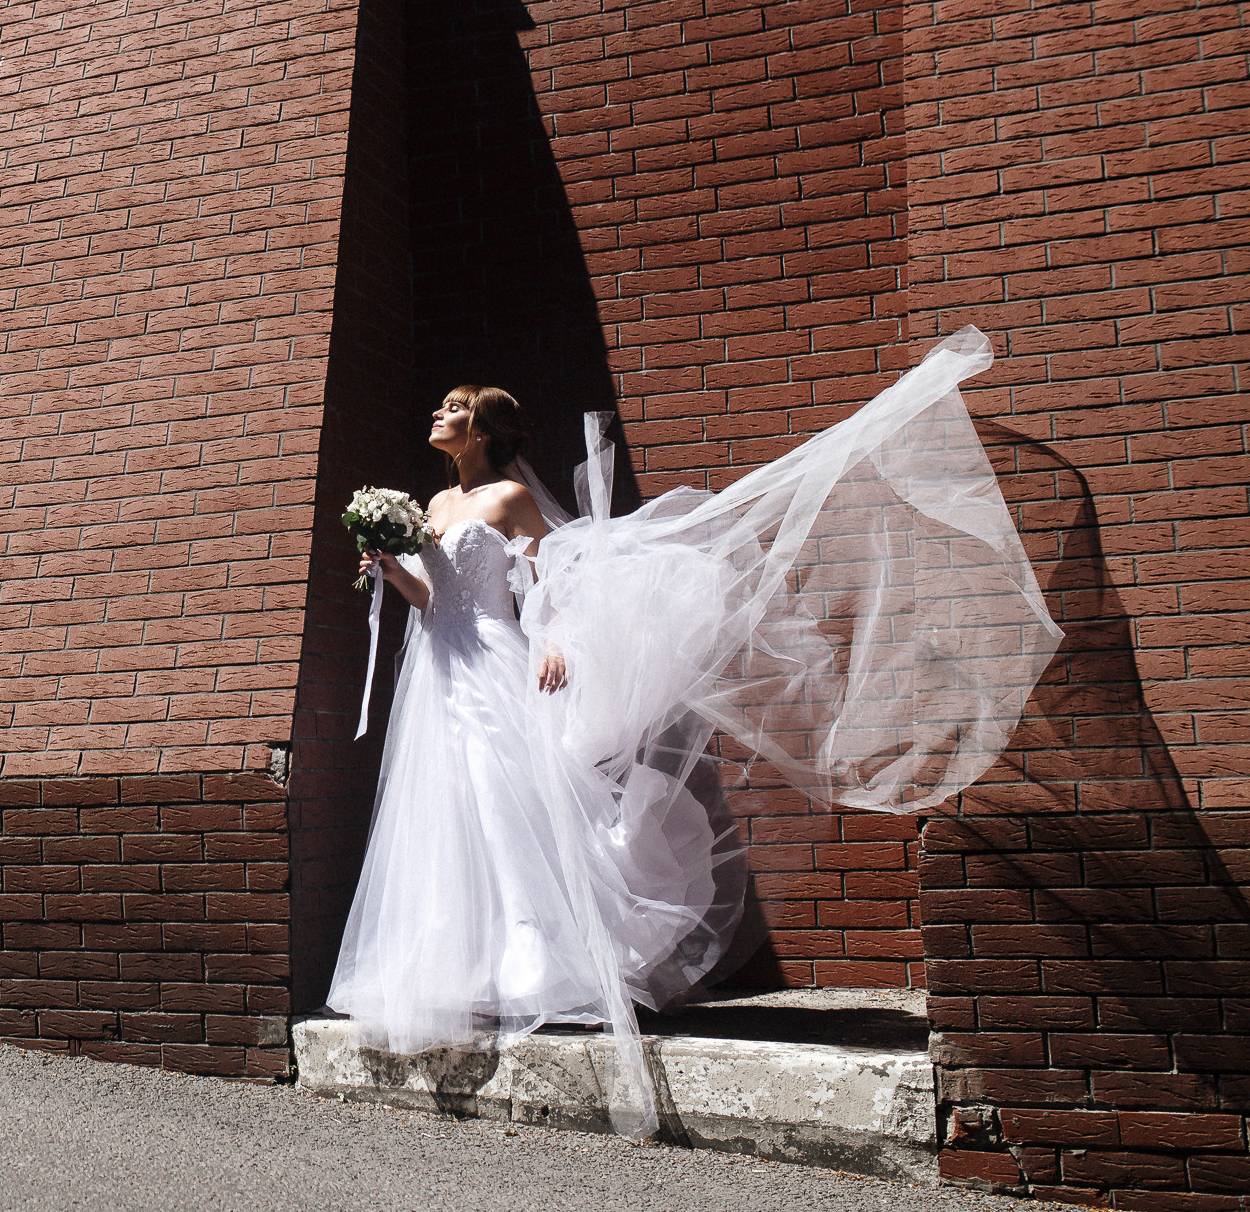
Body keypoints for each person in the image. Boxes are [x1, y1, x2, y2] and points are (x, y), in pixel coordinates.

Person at [326, 328, 1063, 1140]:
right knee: (448, 812)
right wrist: (388, 570)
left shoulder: (507, 498)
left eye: (455, 407)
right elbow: (435, 601)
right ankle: (469, 970)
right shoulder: (431, 507)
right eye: (442, 406)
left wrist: (561, 639)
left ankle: (547, 968)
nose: (440, 412)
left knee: (513, 807)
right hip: (439, 671)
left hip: (499, 661)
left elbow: (553, 576)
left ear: (488, 430)